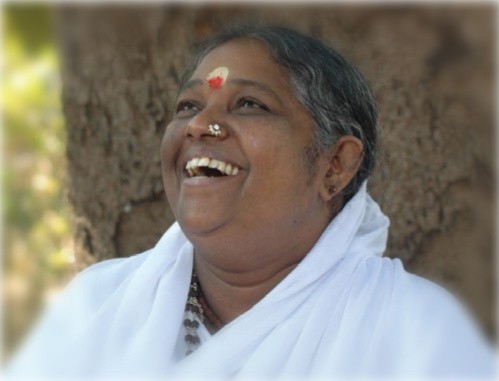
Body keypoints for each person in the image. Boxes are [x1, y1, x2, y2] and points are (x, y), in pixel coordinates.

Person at [6, 24, 495, 379]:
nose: (200, 126)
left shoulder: (417, 334)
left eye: (249, 105)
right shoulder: (95, 306)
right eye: (188, 106)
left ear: (335, 165)